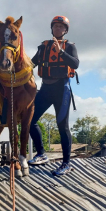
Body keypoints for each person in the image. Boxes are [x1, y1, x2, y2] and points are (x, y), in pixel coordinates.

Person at [28, 16, 79, 176]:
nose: (58, 29)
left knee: (62, 127)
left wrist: (61, 52)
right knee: (29, 120)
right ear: (52, 28)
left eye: (61, 27)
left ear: (65, 30)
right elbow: (31, 64)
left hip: (62, 89)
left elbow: (75, 64)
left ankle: (66, 163)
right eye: (55, 26)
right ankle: (41, 154)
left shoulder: (69, 46)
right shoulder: (44, 46)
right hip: (45, 89)